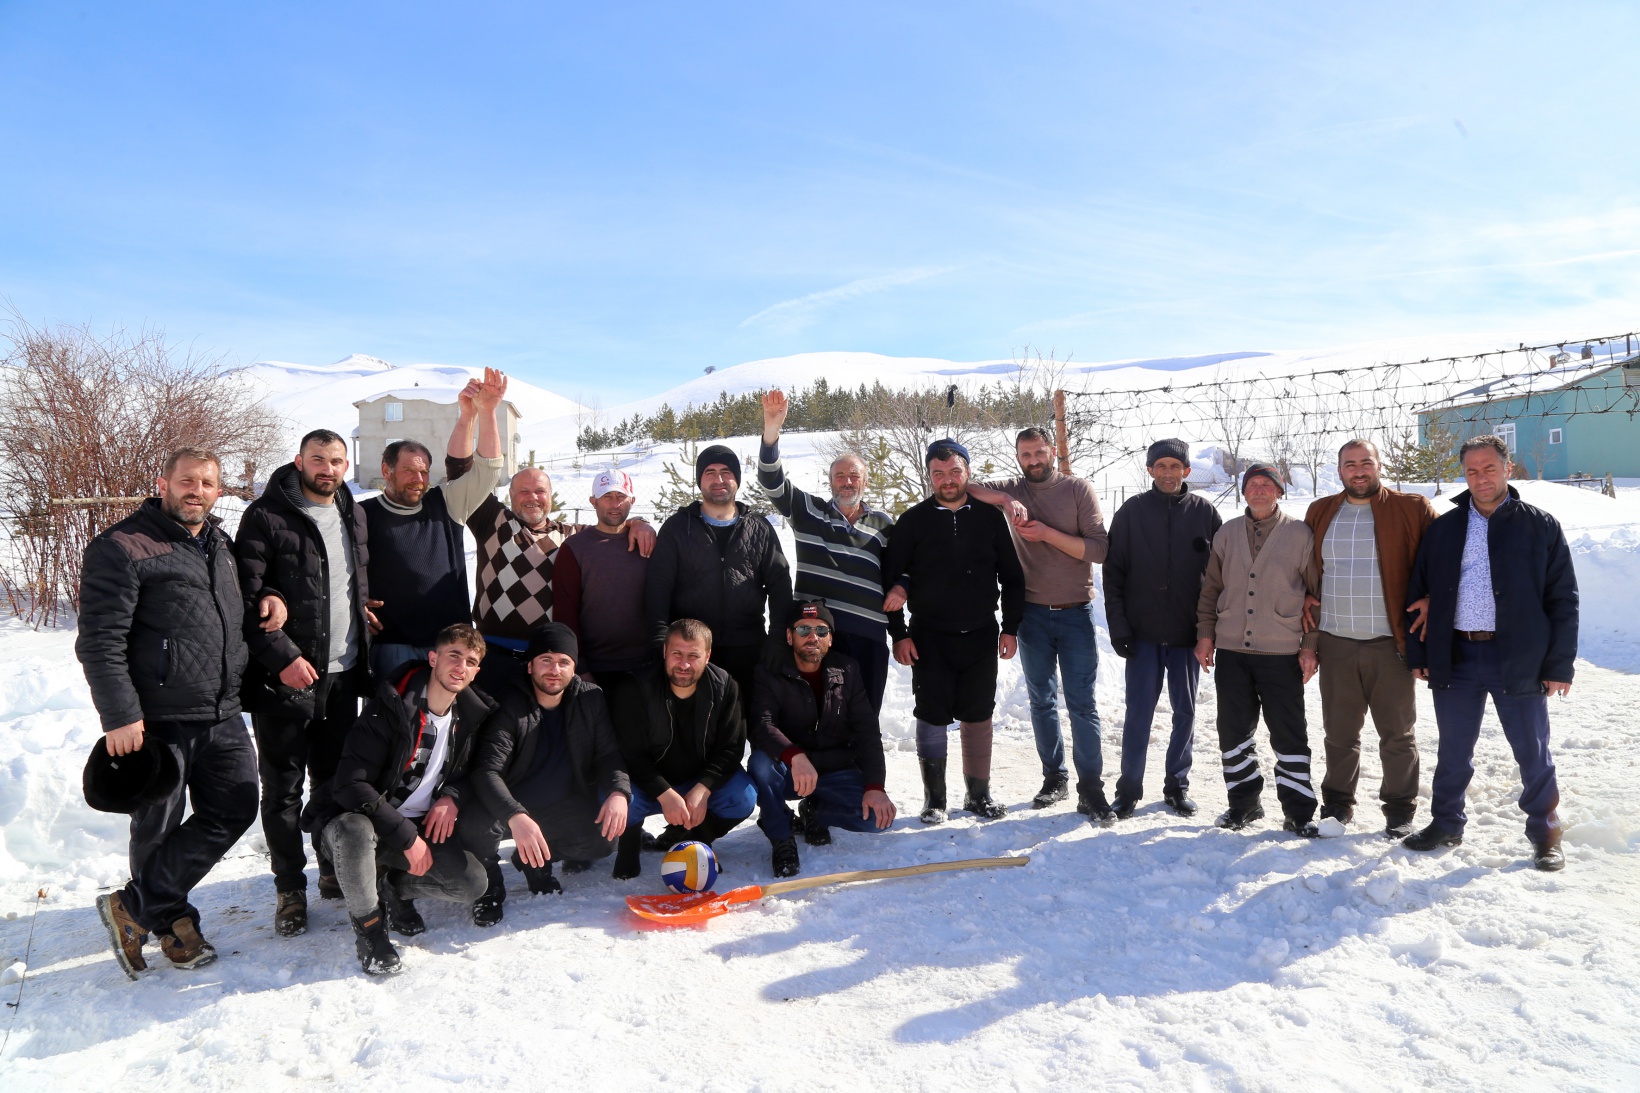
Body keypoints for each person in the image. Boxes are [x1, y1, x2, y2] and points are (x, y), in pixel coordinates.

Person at [77, 447, 258, 979]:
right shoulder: (123, 546)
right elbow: (100, 642)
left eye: (206, 482)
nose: (195, 490)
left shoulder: (219, 544)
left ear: (218, 491)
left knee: (236, 806)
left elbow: (234, 608)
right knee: (156, 825)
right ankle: (171, 920)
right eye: (186, 481)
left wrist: (270, 599)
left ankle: (132, 907)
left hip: (221, 710)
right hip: (157, 717)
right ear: (163, 483)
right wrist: (120, 716)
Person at [1402, 435, 1577, 871]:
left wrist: (1559, 664)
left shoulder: (1541, 526)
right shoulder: (1443, 528)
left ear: (1508, 469)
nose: (1480, 478)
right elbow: (1419, 591)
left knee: (1532, 750)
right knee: (1453, 749)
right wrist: (1421, 652)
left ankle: (1546, 834)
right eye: (1471, 471)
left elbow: (1563, 599)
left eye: (1489, 468)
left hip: (1517, 657)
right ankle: (1446, 823)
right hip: (1457, 656)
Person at [234, 428, 373, 937]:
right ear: (298, 461)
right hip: (285, 681)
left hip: (341, 675)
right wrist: (282, 657)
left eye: (337, 460)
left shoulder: (351, 511)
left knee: (335, 783)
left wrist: (363, 613)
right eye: (318, 459)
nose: (328, 469)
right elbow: (246, 598)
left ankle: (333, 866)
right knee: (284, 791)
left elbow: (350, 579)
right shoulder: (265, 516)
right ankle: (289, 888)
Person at [309, 624, 495, 974]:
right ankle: (370, 931)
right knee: (354, 830)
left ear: (476, 671)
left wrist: (452, 796)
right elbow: (350, 785)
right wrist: (406, 836)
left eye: (470, 661)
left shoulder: (470, 718)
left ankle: (391, 888)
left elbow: (472, 773)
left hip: (412, 827)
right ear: (433, 658)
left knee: (471, 882)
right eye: (454, 655)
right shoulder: (391, 708)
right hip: (355, 823)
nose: (461, 666)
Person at [881, 438, 1026, 824]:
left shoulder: (990, 518)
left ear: (967, 473)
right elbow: (892, 582)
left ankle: (978, 795)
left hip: (981, 634)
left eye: (955, 472)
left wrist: (1010, 628)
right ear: (929, 475)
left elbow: (1013, 578)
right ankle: (935, 800)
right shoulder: (912, 522)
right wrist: (900, 634)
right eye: (939, 473)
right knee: (931, 715)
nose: (947, 479)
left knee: (979, 714)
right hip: (929, 637)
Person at [967, 427, 1109, 814]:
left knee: (1082, 704)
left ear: (1052, 453)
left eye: (1039, 453)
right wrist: (1004, 498)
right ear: (1018, 457)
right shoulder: (1015, 487)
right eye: (1026, 454)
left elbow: (1098, 550)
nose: (1033, 461)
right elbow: (966, 484)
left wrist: (1046, 534)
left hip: (1075, 611)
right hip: (1030, 615)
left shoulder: (1077, 489)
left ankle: (1091, 787)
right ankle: (1054, 778)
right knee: (1041, 701)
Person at [1301, 439, 1436, 838]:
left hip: (1389, 642)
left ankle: (1399, 810)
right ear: (1339, 470)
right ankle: (1338, 806)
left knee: (1397, 734)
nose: (1358, 471)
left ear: (1379, 465)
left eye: (1365, 463)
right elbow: (1308, 570)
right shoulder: (1321, 511)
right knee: (1339, 734)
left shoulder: (1412, 509)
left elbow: (1442, 561)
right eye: (1349, 465)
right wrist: (1309, 620)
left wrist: (1432, 598)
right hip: (1337, 642)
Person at [462, 623, 630, 925]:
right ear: (530, 666)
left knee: (604, 839)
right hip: (510, 806)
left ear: (574, 668)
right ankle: (489, 888)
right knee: (477, 824)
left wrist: (618, 792)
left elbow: (608, 754)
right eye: (546, 660)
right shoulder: (509, 705)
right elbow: (487, 771)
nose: (555, 669)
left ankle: (534, 861)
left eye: (564, 662)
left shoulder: (589, 700)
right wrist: (516, 815)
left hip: (559, 806)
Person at [446, 456, 654, 695]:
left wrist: (638, 523)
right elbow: (462, 476)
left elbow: (610, 526)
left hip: (547, 659)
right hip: (494, 653)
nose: (532, 497)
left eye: (540, 491)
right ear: (510, 495)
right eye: (523, 491)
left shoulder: (573, 537)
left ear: (550, 496)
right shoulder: (494, 523)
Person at [1195, 463, 1321, 836]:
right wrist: (1206, 634)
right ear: (1243, 492)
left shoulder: (1300, 535)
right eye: (1253, 484)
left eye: (1268, 484)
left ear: (1279, 492)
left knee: (1289, 732)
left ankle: (1299, 811)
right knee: (1233, 732)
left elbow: (1317, 596)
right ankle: (1244, 805)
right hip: (1232, 651)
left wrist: (1310, 646)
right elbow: (1210, 590)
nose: (1260, 490)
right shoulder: (1227, 533)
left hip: (1281, 652)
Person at [361, 368, 508, 682]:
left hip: (446, 646)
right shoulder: (363, 514)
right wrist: (354, 604)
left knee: (444, 726)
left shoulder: (445, 503)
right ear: (386, 470)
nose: (419, 480)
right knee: (391, 725)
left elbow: (487, 472)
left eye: (424, 472)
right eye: (409, 471)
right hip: (390, 646)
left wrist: (484, 412)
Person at [1103, 439, 1222, 822]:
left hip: (1187, 635)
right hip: (1143, 634)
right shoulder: (1132, 512)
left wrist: (1209, 630)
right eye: (1161, 466)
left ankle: (1177, 785)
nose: (1168, 472)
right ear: (1150, 469)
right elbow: (1114, 573)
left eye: (1176, 466)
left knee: (1185, 712)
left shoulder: (1204, 512)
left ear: (1187, 470)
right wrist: (1120, 627)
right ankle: (1128, 790)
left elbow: (1220, 577)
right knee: (1139, 713)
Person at [757, 389, 896, 710]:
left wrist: (902, 584)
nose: (847, 482)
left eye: (854, 476)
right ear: (830, 481)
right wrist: (771, 432)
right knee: (816, 718)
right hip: (817, 637)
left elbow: (904, 566)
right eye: (839, 476)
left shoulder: (883, 524)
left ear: (865, 481)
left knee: (863, 719)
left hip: (869, 638)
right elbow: (771, 480)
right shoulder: (809, 511)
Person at [748, 601, 897, 877]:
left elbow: (867, 731)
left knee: (878, 819)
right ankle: (780, 836)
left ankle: (817, 813)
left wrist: (875, 785)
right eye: (804, 629)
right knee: (759, 765)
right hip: (792, 770)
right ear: (790, 636)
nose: (812, 637)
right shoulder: (769, 671)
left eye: (821, 630)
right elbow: (762, 725)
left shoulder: (848, 670)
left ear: (831, 638)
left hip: (834, 768)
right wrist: (794, 755)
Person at [607, 619, 758, 879]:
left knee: (742, 797)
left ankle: (696, 841)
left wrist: (704, 788)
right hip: (646, 782)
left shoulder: (726, 687)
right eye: (677, 654)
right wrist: (664, 793)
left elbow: (731, 749)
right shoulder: (635, 686)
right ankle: (629, 846)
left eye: (693, 656)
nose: (684, 664)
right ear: (665, 651)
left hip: (696, 781)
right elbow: (631, 754)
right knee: (616, 799)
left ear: (707, 656)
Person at [643, 444, 793, 698]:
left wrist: (777, 637)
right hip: (690, 652)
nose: (719, 479)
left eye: (726, 472)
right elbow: (658, 587)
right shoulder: (678, 528)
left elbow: (780, 585)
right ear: (700, 480)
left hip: (747, 647)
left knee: (741, 727)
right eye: (710, 472)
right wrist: (660, 639)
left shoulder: (759, 528)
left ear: (737, 479)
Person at [553, 468, 654, 691]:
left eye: (621, 497)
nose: (615, 504)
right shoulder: (575, 548)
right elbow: (565, 613)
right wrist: (580, 666)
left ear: (632, 501)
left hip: (644, 666)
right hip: (594, 669)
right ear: (593, 501)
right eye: (607, 496)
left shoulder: (647, 543)